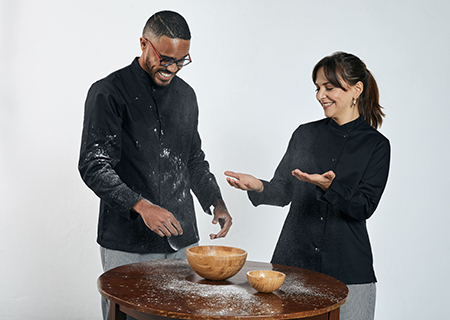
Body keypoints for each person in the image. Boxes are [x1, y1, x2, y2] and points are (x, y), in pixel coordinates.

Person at [78, 10, 232, 320]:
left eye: (181, 60)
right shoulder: (108, 92)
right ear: (143, 44)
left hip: (183, 242)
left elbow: (192, 159)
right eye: (166, 59)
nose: (173, 68)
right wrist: (142, 206)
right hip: (127, 242)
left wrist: (216, 202)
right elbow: (93, 164)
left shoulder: (187, 96)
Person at [225, 52, 390, 320]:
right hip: (293, 268)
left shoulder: (377, 146)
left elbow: (364, 207)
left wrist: (329, 188)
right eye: (318, 87)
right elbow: (282, 192)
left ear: (356, 90)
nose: (320, 95)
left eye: (330, 87)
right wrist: (257, 187)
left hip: (349, 271)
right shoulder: (305, 134)